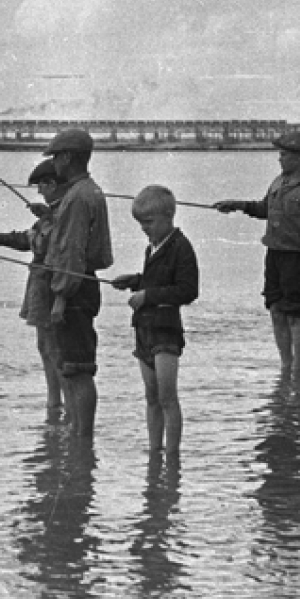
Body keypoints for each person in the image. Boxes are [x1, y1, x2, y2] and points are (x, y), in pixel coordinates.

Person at [212, 132, 300, 383]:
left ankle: (298, 371)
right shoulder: (278, 182)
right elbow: (263, 209)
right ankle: (285, 367)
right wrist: (237, 205)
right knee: (276, 310)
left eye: (285, 154)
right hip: (274, 256)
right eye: (280, 154)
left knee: (295, 314)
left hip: (297, 259)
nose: (280, 158)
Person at [112, 186, 199, 457]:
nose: (144, 229)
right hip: (144, 329)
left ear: (168, 215)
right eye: (141, 224)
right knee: (151, 397)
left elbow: (187, 290)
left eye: (148, 223)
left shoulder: (181, 247)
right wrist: (135, 281)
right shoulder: (152, 248)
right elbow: (156, 281)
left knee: (167, 398)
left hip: (166, 331)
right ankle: (154, 452)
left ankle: (172, 456)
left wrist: (147, 294)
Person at [41, 128, 114, 438]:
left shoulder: (77, 198)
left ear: (69, 157)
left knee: (77, 369)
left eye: (56, 156)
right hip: (83, 285)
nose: (53, 163)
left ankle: (82, 439)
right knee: (71, 367)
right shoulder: (88, 192)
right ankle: (76, 436)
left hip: (74, 290)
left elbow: (72, 255)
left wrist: (60, 298)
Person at [0, 159, 66, 416]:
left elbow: (62, 245)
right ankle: (54, 403)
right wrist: (0, 239)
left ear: (52, 184)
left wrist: (51, 216)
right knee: (44, 344)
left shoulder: (67, 213)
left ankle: (61, 402)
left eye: (41, 186)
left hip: (53, 288)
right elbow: (28, 240)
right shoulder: (48, 217)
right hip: (39, 287)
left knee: (54, 346)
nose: (39, 192)